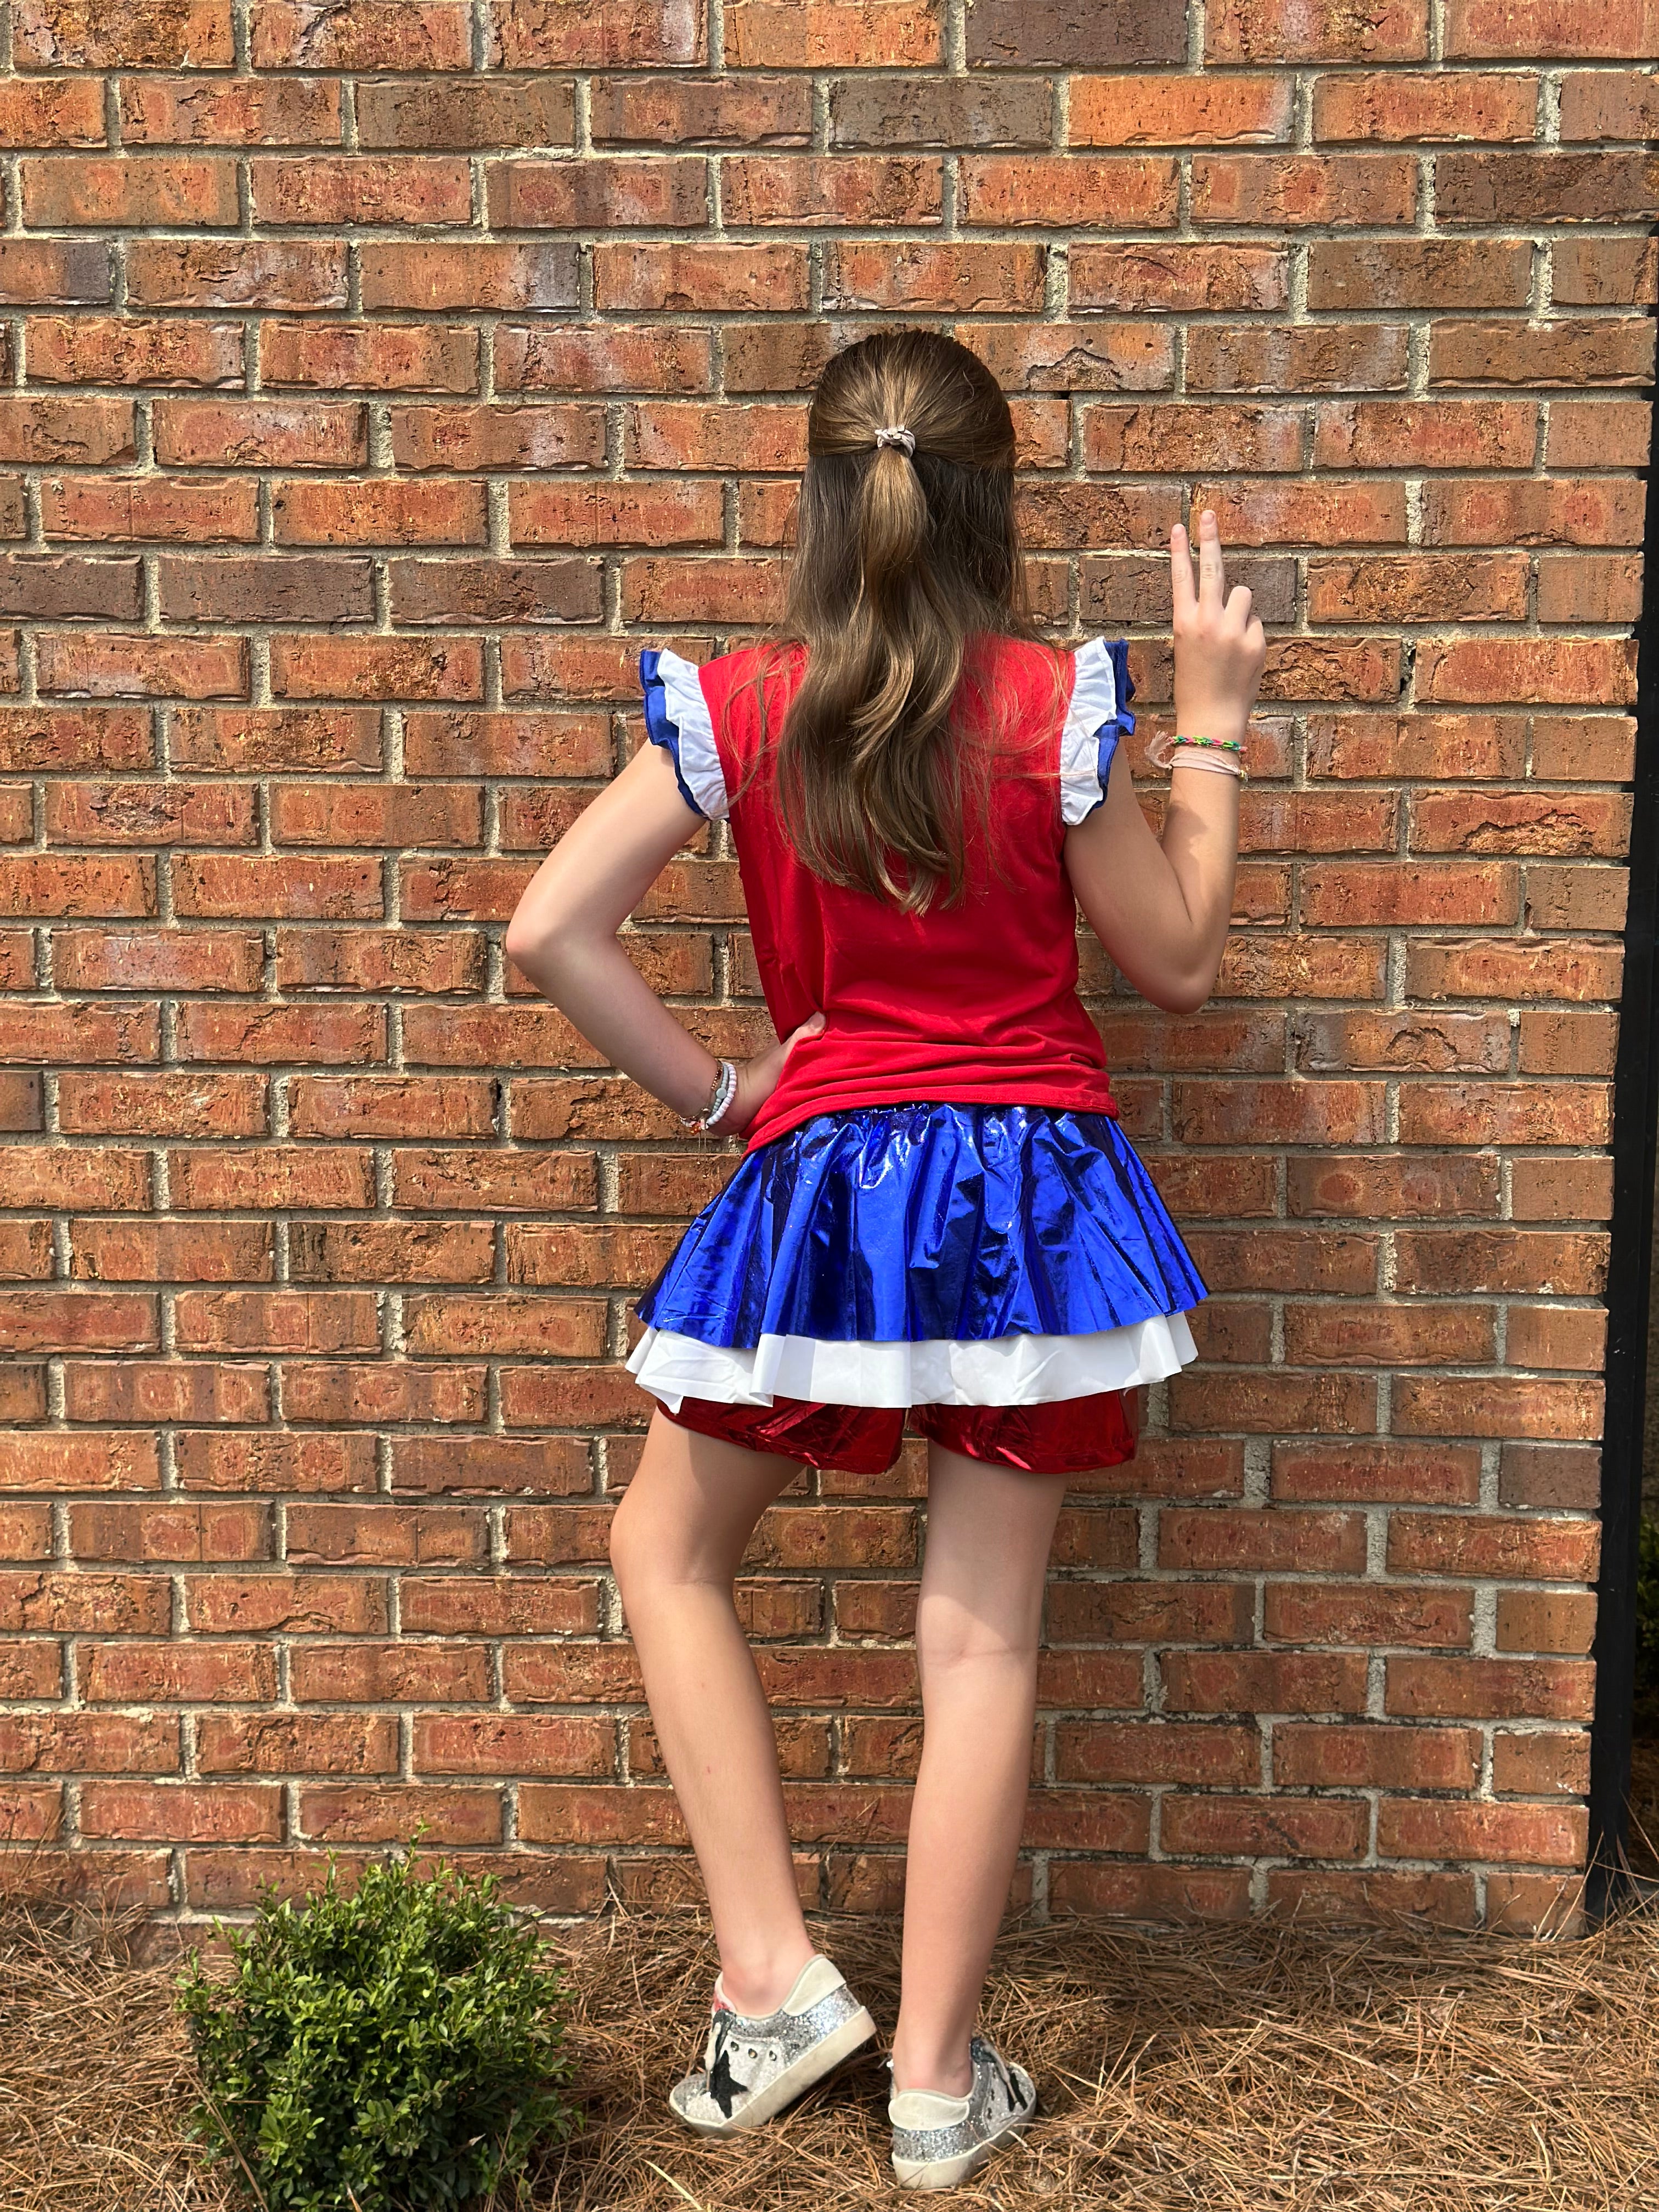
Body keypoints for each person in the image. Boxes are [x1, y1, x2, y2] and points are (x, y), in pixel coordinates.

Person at [505, 327, 1266, 2192]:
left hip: (833, 1188)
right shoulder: (1055, 705)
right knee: (979, 1635)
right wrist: (1213, 722)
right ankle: (934, 2087)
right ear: (993, 504)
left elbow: (551, 933)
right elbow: (1176, 962)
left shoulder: (746, 704)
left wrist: (721, 1093)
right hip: (1034, 1208)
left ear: (824, 502)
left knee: (666, 1550)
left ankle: (773, 1983)